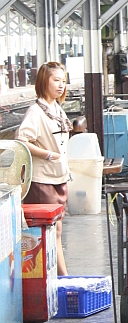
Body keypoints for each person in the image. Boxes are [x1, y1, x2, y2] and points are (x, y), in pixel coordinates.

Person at [16, 61, 71, 275]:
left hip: (59, 177)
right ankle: (62, 277)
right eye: (56, 80)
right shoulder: (36, 112)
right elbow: (22, 140)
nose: (61, 85)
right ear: (43, 81)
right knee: (51, 231)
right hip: (42, 180)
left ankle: (60, 277)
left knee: (56, 231)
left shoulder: (56, 109)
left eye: (63, 81)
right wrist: (47, 154)